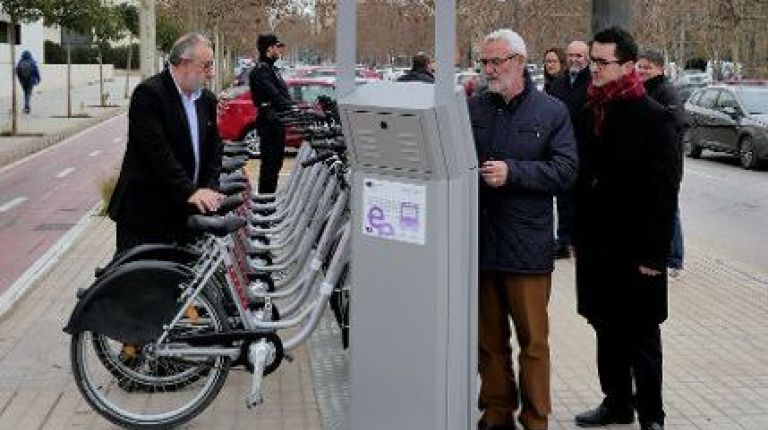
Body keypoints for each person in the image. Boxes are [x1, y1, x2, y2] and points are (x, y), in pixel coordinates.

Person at [469, 29, 578, 430]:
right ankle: (497, 414)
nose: (489, 69)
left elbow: (566, 171)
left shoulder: (552, 111)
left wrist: (513, 173)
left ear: (519, 61)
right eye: (484, 62)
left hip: (527, 248)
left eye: (497, 61)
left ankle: (536, 419)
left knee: (533, 343)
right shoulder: (474, 108)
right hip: (480, 245)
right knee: (489, 342)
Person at [572, 27, 680, 430]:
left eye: (602, 62)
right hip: (598, 248)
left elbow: (664, 194)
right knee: (606, 328)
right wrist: (578, 237)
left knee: (642, 338)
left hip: (637, 254)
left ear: (630, 66)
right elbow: (583, 182)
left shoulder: (653, 118)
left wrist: (655, 256)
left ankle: (652, 414)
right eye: (591, 60)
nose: (593, 69)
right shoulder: (590, 111)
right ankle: (617, 402)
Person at [107, 33, 223, 254]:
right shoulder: (149, 94)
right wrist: (190, 191)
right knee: (141, 282)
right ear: (185, 63)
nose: (211, 72)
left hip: (185, 211)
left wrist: (209, 188)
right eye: (206, 65)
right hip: (147, 213)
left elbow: (215, 148)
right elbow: (158, 153)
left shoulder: (206, 100)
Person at [637, 50, 686, 277]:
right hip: (648, 164)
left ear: (660, 69)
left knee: (669, 210)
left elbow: (675, 126)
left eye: (647, 67)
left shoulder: (667, 92)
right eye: (640, 66)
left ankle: (674, 260)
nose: (642, 70)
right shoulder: (645, 90)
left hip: (667, 164)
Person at [547, 41, 591, 259]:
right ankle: (564, 241)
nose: (575, 59)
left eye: (579, 56)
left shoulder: (594, 84)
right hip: (562, 152)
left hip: (586, 152)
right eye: (571, 55)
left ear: (587, 58)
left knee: (583, 200)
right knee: (563, 199)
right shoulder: (558, 84)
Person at [249, 33, 292, 194]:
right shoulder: (260, 72)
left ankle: (269, 200)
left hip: (277, 122)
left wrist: (292, 106)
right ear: (269, 49)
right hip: (269, 122)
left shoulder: (272, 70)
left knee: (276, 164)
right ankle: (265, 204)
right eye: (276, 47)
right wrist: (288, 105)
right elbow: (275, 95)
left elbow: (283, 95)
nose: (279, 50)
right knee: (269, 166)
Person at [16, 50, 41, 114]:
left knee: (26, 93)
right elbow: (36, 71)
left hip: (23, 80)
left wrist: (20, 79)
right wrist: (38, 79)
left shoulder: (20, 61)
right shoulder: (32, 61)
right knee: (28, 93)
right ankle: (27, 106)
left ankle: (27, 106)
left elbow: (17, 71)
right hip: (31, 80)